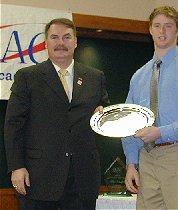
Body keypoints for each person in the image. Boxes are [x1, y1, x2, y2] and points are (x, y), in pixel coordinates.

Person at [4, 18, 110, 210]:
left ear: (76, 42)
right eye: (54, 37)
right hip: (37, 178)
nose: (61, 43)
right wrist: (16, 167)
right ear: (46, 43)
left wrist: (102, 114)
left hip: (82, 176)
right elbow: (13, 126)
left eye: (67, 37)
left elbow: (103, 115)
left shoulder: (95, 77)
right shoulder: (27, 77)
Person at [121, 6, 178, 209]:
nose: (162, 31)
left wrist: (160, 132)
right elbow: (129, 122)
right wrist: (131, 164)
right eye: (157, 26)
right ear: (150, 30)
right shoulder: (139, 76)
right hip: (147, 160)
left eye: (168, 26)